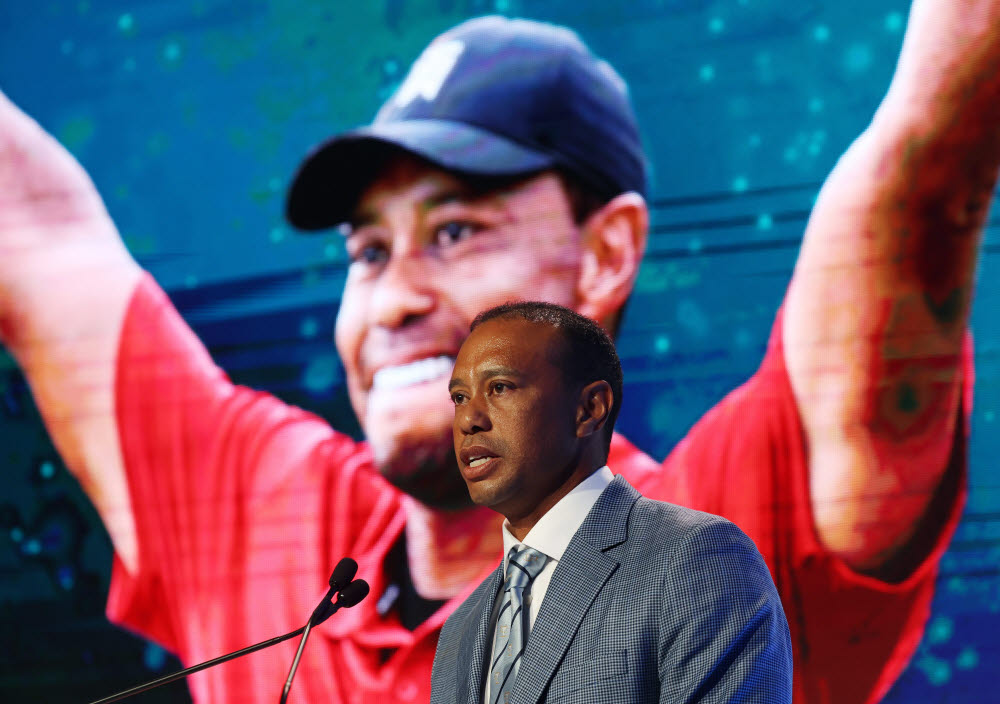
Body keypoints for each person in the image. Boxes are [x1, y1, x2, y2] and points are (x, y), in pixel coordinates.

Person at [0, 1, 997, 702]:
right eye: (367, 249)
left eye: (457, 232)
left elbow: (925, 176)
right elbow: (34, 232)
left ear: (604, 255)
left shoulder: (719, 548)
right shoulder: (262, 521)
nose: (394, 297)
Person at [431, 301, 793, 704]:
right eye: (460, 397)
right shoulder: (460, 629)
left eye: (500, 387)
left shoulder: (693, 558)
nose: (468, 420)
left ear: (590, 409)